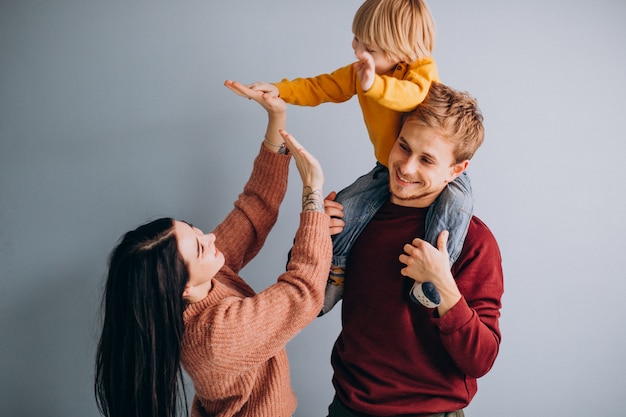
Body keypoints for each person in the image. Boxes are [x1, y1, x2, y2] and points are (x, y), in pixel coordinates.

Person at [94, 81, 333, 417]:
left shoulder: (200, 280)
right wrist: (313, 195)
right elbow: (303, 292)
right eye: (200, 247)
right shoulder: (215, 338)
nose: (210, 238)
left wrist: (276, 119)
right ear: (185, 287)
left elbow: (254, 209)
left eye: (195, 230)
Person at [244, 0, 472, 312]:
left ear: (400, 51)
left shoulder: (420, 73)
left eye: (369, 48)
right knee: (343, 210)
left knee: (455, 209)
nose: (356, 49)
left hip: (438, 175)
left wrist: (374, 84)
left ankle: (431, 278)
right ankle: (335, 275)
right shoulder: (359, 73)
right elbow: (320, 87)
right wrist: (279, 89)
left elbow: (412, 95)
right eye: (356, 39)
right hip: (386, 169)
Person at [326, 82, 504, 416]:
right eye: (404, 147)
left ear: (456, 170)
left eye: (426, 160)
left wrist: (443, 285)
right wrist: (314, 239)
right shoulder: (354, 218)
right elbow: (303, 300)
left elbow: (481, 358)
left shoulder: (474, 242)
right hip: (348, 407)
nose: (407, 167)